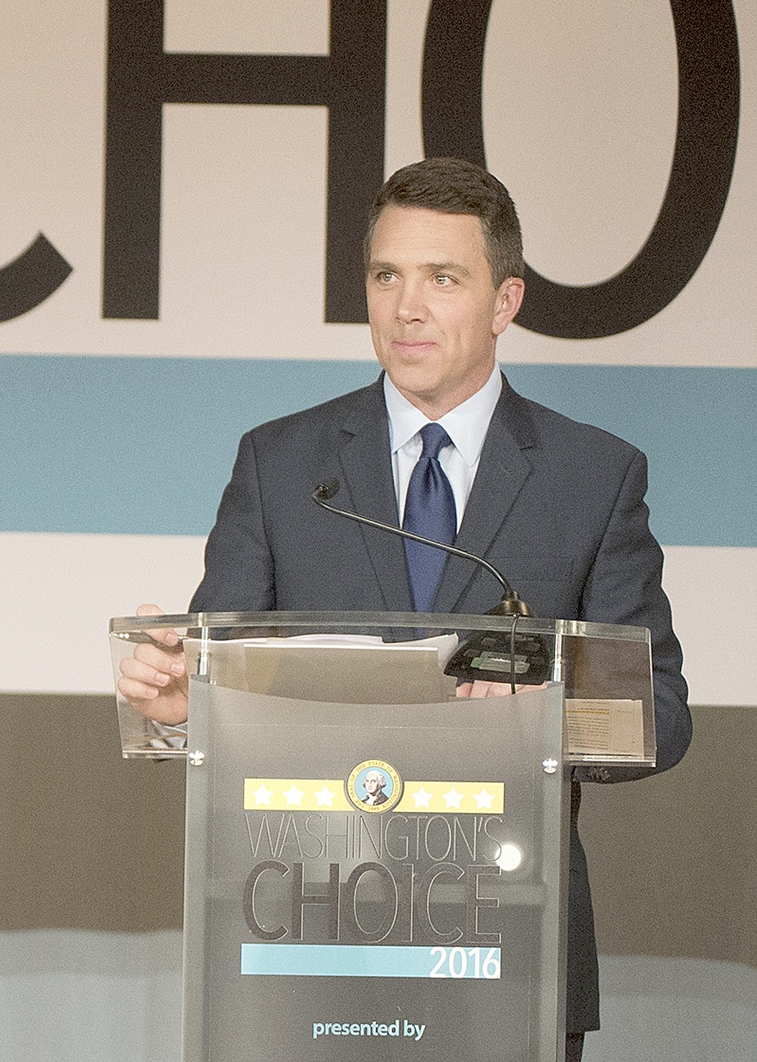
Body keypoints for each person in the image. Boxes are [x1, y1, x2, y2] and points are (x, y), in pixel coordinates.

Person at [116, 156, 692, 1060]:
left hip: (508, 940)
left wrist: (540, 716)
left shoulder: (593, 477)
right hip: (301, 933)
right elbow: (219, 675)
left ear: (506, 302)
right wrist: (178, 699)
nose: (405, 307)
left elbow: (660, 709)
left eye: (442, 278)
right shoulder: (282, 463)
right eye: (386, 276)